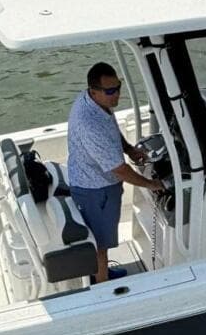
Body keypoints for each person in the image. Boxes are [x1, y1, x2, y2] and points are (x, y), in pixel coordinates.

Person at [66, 62, 162, 282]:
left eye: (118, 87)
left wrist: (129, 149)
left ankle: (103, 273)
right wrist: (152, 185)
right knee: (100, 244)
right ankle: (103, 287)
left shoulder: (95, 103)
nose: (116, 94)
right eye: (110, 91)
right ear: (94, 91)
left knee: (102, 240)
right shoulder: (89, 124)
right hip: (95, 189)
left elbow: (111, 127)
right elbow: (120, 170)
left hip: (96, 182)